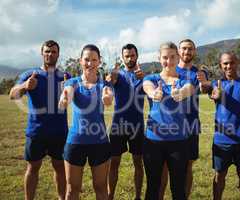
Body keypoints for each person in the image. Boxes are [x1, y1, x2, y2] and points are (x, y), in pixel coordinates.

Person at [9, 40, 69, 200]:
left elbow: (76, 98)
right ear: (42, 53)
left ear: (58, 54)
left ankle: (62, 198)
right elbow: (12, 94)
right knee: (33, 167)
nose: (50, 54)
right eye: (47, 51)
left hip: (59, 132)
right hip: (36, 132)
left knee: (60, 167)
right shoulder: (30, 74)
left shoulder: (65, 76)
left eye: (53, 51)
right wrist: (24, 87)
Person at [58, 44, 113, 200]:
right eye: (87, 59)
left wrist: (107, 98)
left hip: (99, 142)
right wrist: (64, 99)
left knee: (101, 187)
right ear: (80, 61)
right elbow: (67, 95)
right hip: (75, 142)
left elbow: (108, 99)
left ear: (99, 61)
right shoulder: (72, 82)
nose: (90, 63)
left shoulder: (105, 85)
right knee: (72, 189)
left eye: (94, 60)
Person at [143, 42, 195, 200]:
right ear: (159, 59)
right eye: (165, 57)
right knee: (153, 186)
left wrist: (180, 93)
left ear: (178, 57)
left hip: (178, 142)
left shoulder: (185, 79)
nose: (169, 61)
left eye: (172, 57)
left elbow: (189, 89)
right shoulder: (151, 78)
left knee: (178, 188)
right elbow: (147, 87)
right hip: (153, 141)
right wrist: (153, 94)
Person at [159, 39, 209, 200]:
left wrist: (204, 85)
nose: (187, 52)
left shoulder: (199, 74)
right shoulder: (170, 70)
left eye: (190, 49)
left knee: (188, 165)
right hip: (169, 125)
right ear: (178, 52)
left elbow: (205, 88)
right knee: (164, 167)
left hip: (191, 125)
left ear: (195, 51)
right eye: (184, 49)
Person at [210, 52, 240, 200]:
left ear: (237, 63)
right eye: (225, 63)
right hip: (222, 141)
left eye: (231, 62)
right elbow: (214, 94)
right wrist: (215, 94)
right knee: (219, 176)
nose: (228, 66)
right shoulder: (217, 84)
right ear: (221, 65)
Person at [107, 44, 145, 200]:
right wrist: (111, 78)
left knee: (138, 162)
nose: (130, 58)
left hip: (137, 126)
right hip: (118, 125)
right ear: (123, 58)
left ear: (137, 56)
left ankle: (137, 196)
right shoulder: (118, 75)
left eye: (132, 55)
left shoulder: (143, 76)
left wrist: (143, 79)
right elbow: (110, 82)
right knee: (114, 162)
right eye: (127, 56)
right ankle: (110, 196)